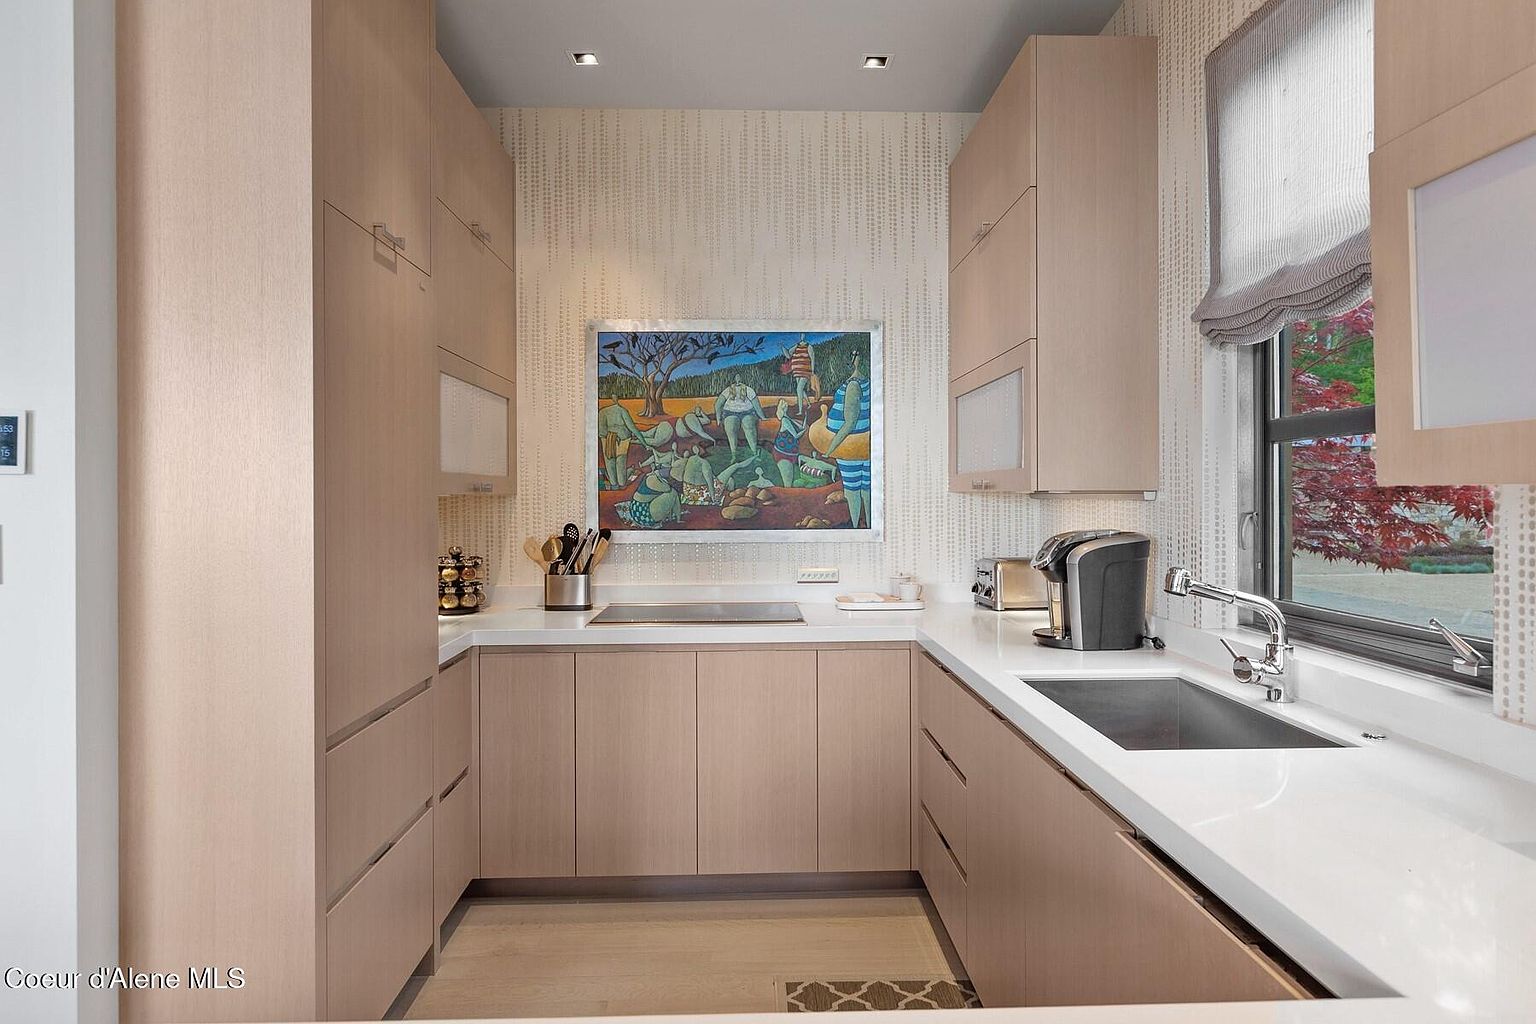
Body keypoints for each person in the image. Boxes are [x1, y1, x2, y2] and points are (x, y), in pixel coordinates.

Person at [809, 355, 872, 528]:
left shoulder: (853, 385)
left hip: (850, 446)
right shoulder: (863, 382)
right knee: (865, 487)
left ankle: (855, 525)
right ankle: (866, 523)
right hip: (860, 444)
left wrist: (831, 448)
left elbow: (850, 422)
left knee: (853, 490)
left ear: (854, 362)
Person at [713, 375, 766, 456]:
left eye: (739, 378)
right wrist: (718, 418)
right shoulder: (727, 390)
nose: (738, 380)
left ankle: (754, 452)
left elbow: (757, 406)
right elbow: (718, 404)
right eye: (736, 378)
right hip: (730, 412)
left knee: (749, 426)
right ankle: (734, 454)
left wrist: (762, 417)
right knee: (730, 427)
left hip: (747, 412)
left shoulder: (749, 390)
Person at [769, 398, 806, 487]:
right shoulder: (785, 420)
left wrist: (804, 422)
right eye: (785, 406)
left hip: (790, 453)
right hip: (783, 453)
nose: (787, 407)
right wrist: (804, 430)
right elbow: (796, 435)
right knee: (788, 482)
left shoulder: (788, 418)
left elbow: (800, 427)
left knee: (790, 479)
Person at [780, 334, 816, 415]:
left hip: (805, 371)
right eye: (801, 334)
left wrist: (812, 371)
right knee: (801, 389)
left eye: (803, 334)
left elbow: (812, 358)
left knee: (799, 389)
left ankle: (800, 410)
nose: (802, 336)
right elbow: (788, 355)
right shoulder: (796, 346)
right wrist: (782, 347)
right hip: (796, 371)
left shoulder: (809, 346)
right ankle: (809, 404)